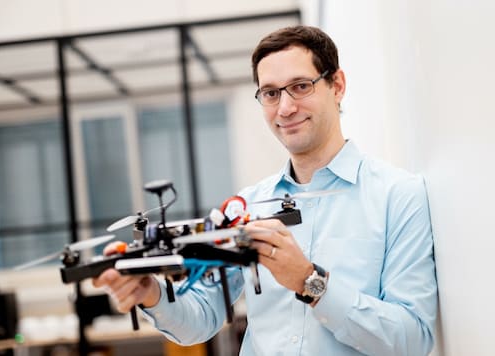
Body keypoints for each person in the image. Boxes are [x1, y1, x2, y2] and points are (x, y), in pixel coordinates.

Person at [93, 25, 437, 355]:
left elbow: (411, 340)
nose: (285, 108)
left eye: (301, 86)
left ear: (337, 85)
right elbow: (199, 321)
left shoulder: (399, 196)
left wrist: (310, 282)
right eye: (271, 93)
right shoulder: (246, 207)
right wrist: (152, 293)